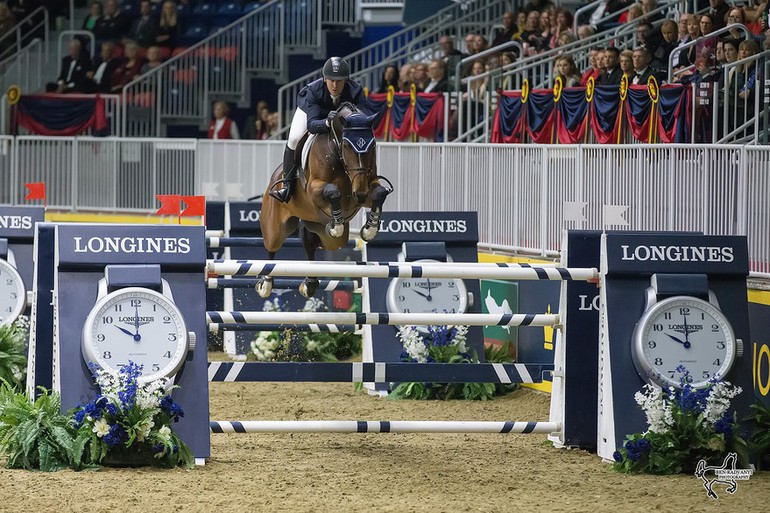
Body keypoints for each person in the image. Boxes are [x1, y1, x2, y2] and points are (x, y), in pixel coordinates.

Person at [270, 56, 374, 203]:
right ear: (325, 79)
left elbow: (365, 114)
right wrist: (326, 122)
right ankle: (287, 183)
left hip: (337, 115)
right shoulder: (314, 91)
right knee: (294, 138)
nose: (335, 85)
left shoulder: (355, 90)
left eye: (339, 80)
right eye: (331, 80)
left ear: (347, 80)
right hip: (313, 114)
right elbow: (312, 125)